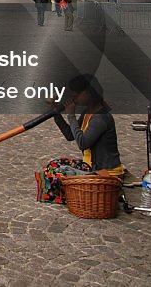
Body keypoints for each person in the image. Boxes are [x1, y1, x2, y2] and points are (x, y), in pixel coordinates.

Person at [38, 74, 124, 204]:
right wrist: (56, 111)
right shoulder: (87, 112)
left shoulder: (100, 118)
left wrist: (71, 115)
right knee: (53, 166)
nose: (74, 97)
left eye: (77, 94)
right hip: (91, 166)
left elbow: (82, 143)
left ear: (88, 93)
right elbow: (70, 135)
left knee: (57, 173)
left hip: (105, 172)